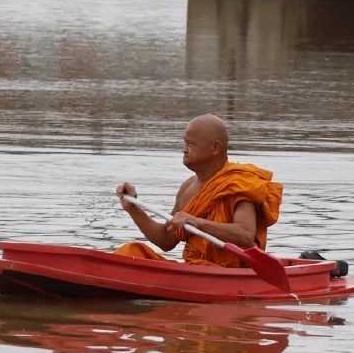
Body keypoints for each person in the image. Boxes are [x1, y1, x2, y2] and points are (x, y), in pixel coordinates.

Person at [112, 115, 282, 268]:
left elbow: (245, 235)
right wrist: (133, 209)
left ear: (215, 148)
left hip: (226, 275)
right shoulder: (188, 188)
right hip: (194, 269)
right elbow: (166, 239)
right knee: (132, 252)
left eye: (191, 144)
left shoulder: (239, 184)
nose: (184, 149)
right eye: (185, 143)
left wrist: (198, 222)